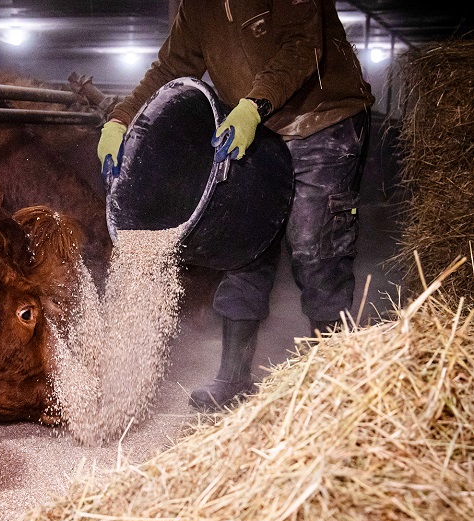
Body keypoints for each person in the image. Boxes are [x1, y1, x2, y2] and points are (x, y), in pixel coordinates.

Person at [97, 0, 374, 411]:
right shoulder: (198, 6)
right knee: (242, 244)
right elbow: (171, 67)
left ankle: (334, 378)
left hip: (322, 119)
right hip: (256, 127)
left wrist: (252, 105)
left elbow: (303, 44)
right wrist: (120, 119)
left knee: (314, 245)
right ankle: (233, 379)